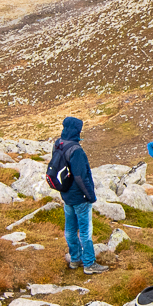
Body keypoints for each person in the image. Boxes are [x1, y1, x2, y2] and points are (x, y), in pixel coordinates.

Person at [52, 116, 108, 276]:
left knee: (69, 228)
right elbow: (80, 177)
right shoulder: (76, 150)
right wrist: (91, 196)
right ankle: (89, 263)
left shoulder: (59, 144)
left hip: (66, 194)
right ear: (77, 130)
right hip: (80, 197)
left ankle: (75, 259)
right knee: (85, 231)